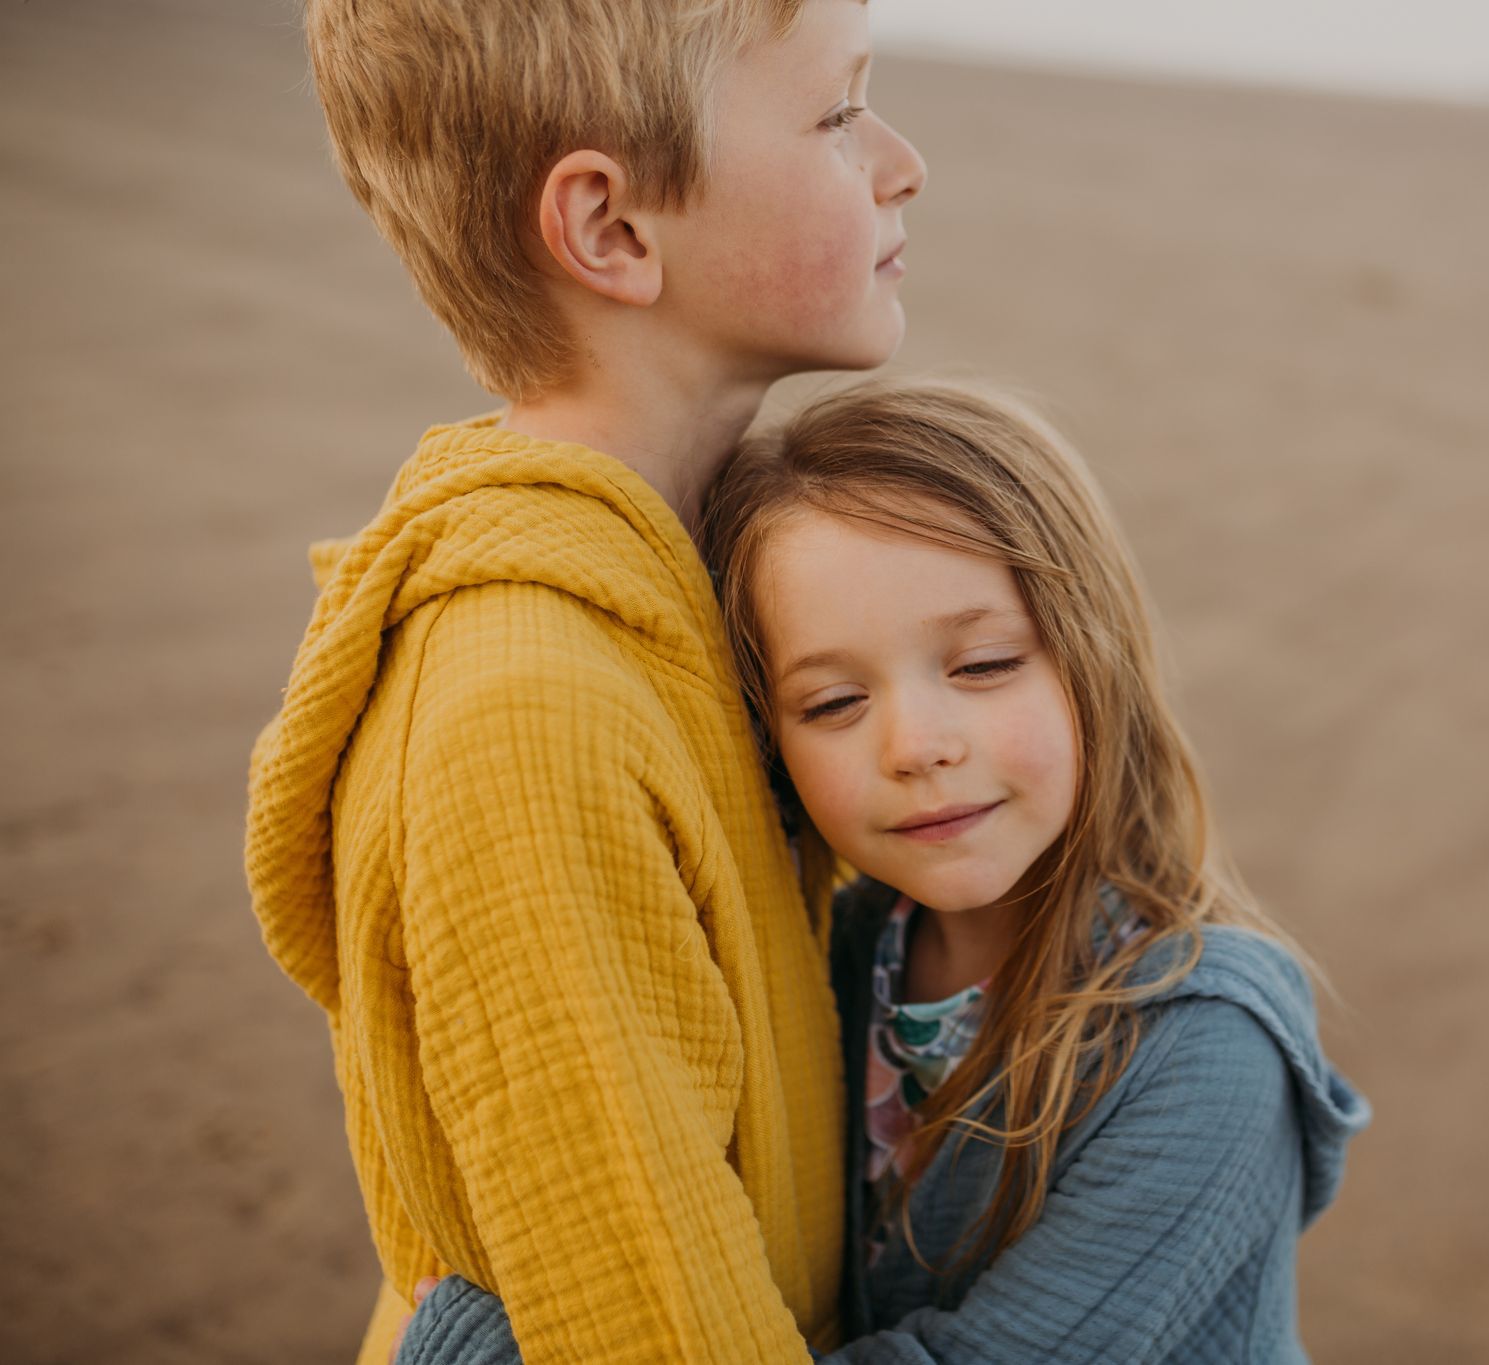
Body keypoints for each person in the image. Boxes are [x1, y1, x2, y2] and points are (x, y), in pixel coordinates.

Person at [392, 381, 1371, 1365]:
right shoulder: (832, 958)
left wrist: (477, 1338)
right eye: (832, 703)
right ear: (766, 743)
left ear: (1093, 660)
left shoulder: (1202, 1050)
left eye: (982, 666)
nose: (916, 746)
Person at [243, 1, 925, 1361]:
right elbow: (654, 1325)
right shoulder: (528, 720)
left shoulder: (700, 574)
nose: (902, 160)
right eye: (840, 112)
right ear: (612, 230)